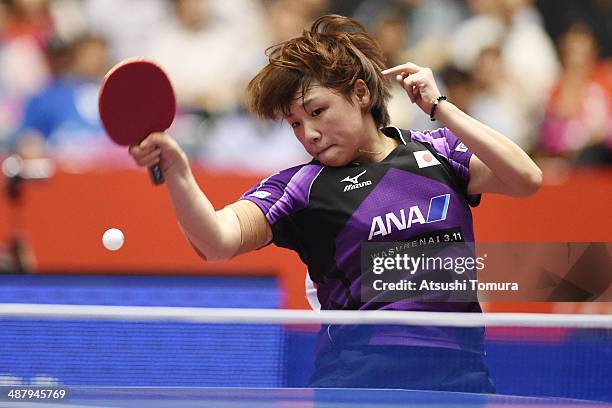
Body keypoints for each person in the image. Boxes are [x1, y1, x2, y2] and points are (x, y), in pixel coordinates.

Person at [129, 15, 542, 392]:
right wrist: (180, 174)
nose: (308, 133)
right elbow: (215, 240)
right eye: (295, 123)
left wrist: (439, 108)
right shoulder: (300, 188)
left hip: (461, 378)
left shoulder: (437, 151)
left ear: (360, 93)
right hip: (360, 383)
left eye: (317, 111)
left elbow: (526, 179)